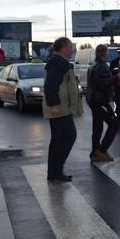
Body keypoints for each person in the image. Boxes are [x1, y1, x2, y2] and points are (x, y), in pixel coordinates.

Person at [42, 37, 83, 182]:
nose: (72, 49)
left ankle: (53, 172)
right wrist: (54, 104)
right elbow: (50, 86)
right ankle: (56, 170)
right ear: (64, 48)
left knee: (58, 140)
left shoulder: (59, 62)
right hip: (59, 108)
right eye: (70, 47)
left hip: (60, 107)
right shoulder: (57, 63)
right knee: (69, 136)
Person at [87, 44, 120, 163]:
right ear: (104, 53)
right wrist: (116, 77)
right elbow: (102, 84)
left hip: (93, 100)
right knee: (113, 124)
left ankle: (94, 153)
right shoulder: (102, 66)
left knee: (97, 127)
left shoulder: (93, 65)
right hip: (100, 100)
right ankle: (102, 151)